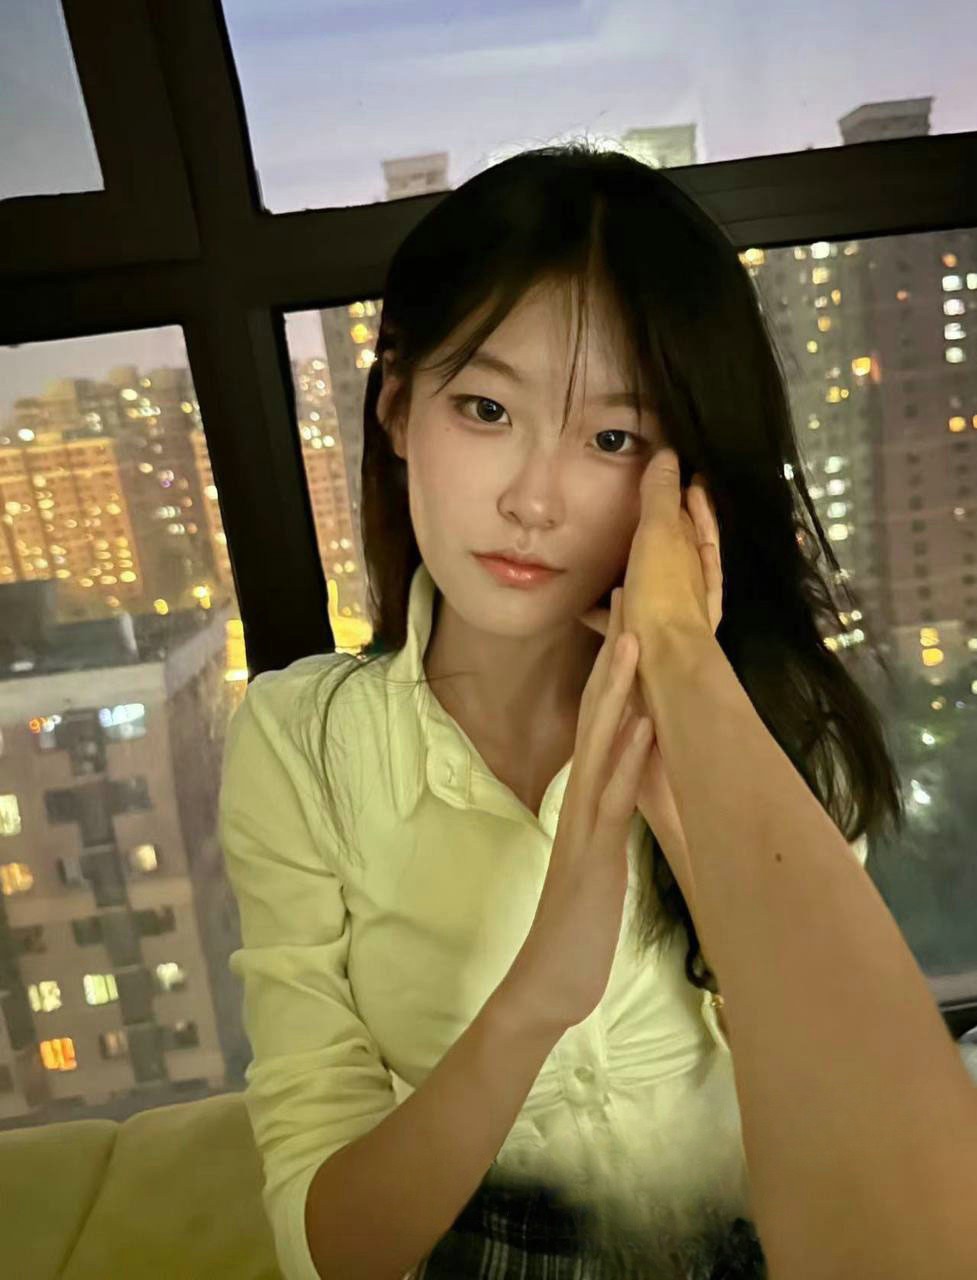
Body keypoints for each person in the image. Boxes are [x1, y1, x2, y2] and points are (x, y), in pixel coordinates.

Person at [218, 142, 907, 1280]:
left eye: (611, 439)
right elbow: (327, 1246)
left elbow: (864, 1142)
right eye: (486, 408)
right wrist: (538, 991)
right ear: (397, 406)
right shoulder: (303, 743)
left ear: (689, 477)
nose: (533, 499)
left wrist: (697, 783)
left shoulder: (776, 721)